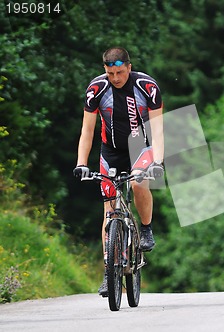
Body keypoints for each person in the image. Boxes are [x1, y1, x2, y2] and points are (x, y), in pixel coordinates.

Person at [73, 47, 165, 296]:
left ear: (129, 68)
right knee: (109, 208)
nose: (116, 78)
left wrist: (158, 160)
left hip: (140, 146)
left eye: (120, 72)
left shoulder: (147, 86)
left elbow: (158, 129)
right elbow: (87, 131)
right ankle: (108, 271)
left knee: (137, 184)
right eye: (111, 73)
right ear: (105, 69)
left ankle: (145, 228)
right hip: (110, 150)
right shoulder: (96, 89)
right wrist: (82, 163)